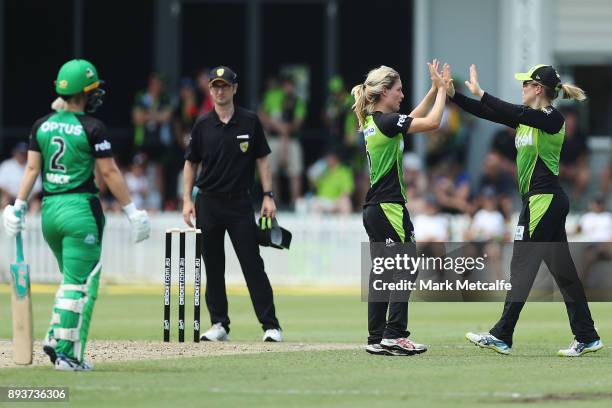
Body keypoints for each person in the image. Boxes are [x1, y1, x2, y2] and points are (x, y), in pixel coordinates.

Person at [1, 59, 151, 371]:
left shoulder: (41, 125)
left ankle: (56, 336)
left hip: (49, 214)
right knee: (81, 285)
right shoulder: (92, 127)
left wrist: (17, 205)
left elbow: (31, 169)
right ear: (84, 93)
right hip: (79, 211)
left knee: (70, 282)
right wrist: (132, 211)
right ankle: (67, 355)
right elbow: (108, 171)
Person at [447, 63, 602, 356]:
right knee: (564, 273)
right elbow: (487, 112)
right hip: (540, 202)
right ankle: (587, 335)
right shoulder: (528, 120)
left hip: (544, 202)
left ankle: (502, 334)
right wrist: (451, 93)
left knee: (522, 266)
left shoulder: (552, 118)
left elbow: (513, 111)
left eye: (526, 84)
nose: (522, 88)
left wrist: (483, 92)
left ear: (539, 89)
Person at [351, 60, 450, 356]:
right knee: (405, 268)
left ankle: (376, 337)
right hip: (389, 207)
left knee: (381, 272)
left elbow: (410, 118)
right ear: (384, 92)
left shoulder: (374, 121)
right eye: (399, 90)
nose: (402, 95)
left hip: (373, 208)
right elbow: (432, 123)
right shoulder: (386, 122)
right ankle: (394, 335)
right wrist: (443, 91)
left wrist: (433, 90)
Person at [182, 66, 282, 342]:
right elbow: (191, 163)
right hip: (208, 203)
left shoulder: (250, 121)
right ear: (210, 90)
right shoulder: (202, 124)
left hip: (239, 203)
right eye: (215, 86)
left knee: (252, 265)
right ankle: (219, 324)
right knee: (213, 267)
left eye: (225, 86)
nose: (220, 90)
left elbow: (262, 159)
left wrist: (268, 195)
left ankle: (271, 325)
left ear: (235, 89)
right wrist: (187, 200)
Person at [259, 74, 306, 205]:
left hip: (291, 140)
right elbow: (262, 115)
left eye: (291, 85)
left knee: (295, 172)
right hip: (274, 138)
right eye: (286, 85)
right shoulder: (272, 96)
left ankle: (295, 201)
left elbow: (298, 122)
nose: (288, 88)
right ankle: (275, 201)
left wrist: (286, 128)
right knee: (272, 172)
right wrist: (278, 126)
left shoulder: (298, 101)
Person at [0, 142, 42, 209]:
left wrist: (25, 197)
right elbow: (1, 185)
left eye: (24, 153)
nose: (22, 155)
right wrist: (13, 196)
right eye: (20, 153)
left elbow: (38, 187)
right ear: (15, 153)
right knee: (4, 201)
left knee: (36, 204)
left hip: (29, 198)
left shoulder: (33, 165)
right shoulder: (6, 165)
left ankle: (30, 219)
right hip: (10, 197)